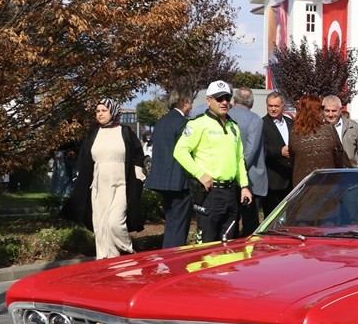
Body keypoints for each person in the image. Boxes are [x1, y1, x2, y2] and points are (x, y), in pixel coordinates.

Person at [173, 80, 252, 245]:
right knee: (206, 244)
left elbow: (239, 159)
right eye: (219, 98)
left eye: (227, 98)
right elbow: (179, 151)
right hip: (210, 193)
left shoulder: (233, 127)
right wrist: (200, 174)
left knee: (229, 243)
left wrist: (244, 186)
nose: (224, 102)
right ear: (209, 100)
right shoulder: (198, 124)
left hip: (231, 193)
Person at [68, 98, 146, 259]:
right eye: (97, 111)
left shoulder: (125, 132)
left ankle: (128, 252)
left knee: (115, 223)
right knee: (101, 228)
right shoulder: (93, 134)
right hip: (98, 187)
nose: (100, 114)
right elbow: (83, 159)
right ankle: (107, 263)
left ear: (113, 112)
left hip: (121, 185)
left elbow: (138, 155)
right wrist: (79, 179)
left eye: (104, 110)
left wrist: (138, 176)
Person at [143, 90, 194, 248]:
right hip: (179, 181)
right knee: (179, 224)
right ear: (185, 103)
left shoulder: (161, 122)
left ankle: (166, 256)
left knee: (171, 221)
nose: (191, 106)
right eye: (190, 103)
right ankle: (174, 259)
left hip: (162, 180)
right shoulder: (183, 123)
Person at [228, 87, 268, 236]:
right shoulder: (255, 120)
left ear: (234, 100)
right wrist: (241, 171)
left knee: (230, 221)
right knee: (250, 223)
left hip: (228, 178)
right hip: (250, 178)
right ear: (251, 103)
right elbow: (251, 150)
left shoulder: (225, 116)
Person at [289, 95, 348, 188]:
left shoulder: (294, 132)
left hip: (302, 186)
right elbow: (340, 157)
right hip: (327, 185)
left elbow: (292, 159)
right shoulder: (329, 129)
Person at [260, 91, 293, 217]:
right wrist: (280, 152)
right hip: (273, 182)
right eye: (270, 106)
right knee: (272, 218)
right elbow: (262, 149)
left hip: (291, 180)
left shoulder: (291, 123)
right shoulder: (262, 124)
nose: (273, 109)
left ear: (283, 106)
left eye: (276, 106)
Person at [322, 94, 358, 168]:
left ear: (340, 110)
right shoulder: (318, 129)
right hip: (327, 172)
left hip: (350, 172)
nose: (330, 114)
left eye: (334, 111)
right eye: (327, 111)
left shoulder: (353, 127)